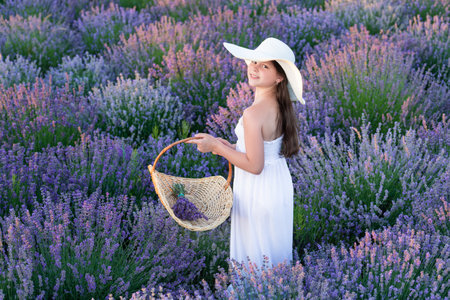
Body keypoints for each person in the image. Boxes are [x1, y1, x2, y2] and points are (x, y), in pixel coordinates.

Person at [187, 37, 305, 268]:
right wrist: (231, 147)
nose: (254, 68)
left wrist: (217, 147)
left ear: (279, 77)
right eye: (253, 62)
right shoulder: (280, 106)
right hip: (277, 185)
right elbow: (265, 150)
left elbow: (254, 166)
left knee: (255, 257)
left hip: (258, 191)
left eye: (264, 66)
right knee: (273, 254)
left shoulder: (253, 113)